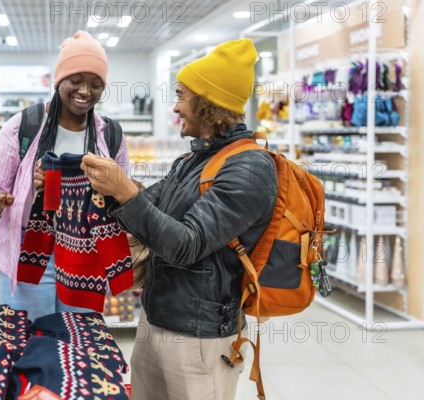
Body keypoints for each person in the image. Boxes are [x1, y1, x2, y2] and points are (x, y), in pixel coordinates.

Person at [80, 38, 278, 399]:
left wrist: (124, 190)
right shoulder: (192, 161)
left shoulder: (250, 168)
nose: (174, 106)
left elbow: (185, 245)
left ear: (208, 102)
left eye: (181, 95)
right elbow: (145, 208)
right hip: (156, 320)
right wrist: (99, 188)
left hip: (201, 337)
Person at [0, 31, 130, 322]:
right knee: (27, 342)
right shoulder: (25, 125)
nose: (85, 91)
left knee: (79, 344)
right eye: (76, 80)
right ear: (59, 80)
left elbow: (125, 193)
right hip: (27, 246)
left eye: (96, 84)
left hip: (86, 254)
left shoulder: (111, 134)